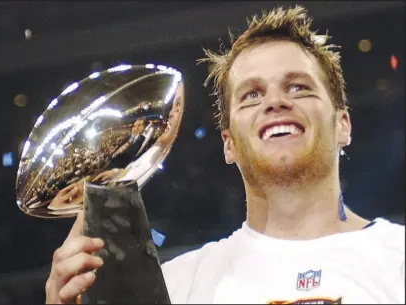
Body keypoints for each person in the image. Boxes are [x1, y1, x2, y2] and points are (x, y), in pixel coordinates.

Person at [45, 6, 404, 304]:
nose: (276, 102)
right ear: (228, 143)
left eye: (299, 87)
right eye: (251, 95)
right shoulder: (173, 288)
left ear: (343, 124)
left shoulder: (397, 258)